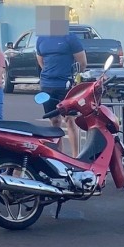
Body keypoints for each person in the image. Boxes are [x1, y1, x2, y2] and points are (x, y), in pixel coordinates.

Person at [36, 29, 87, 157]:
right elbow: (41, 61)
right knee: (54, 121)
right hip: (47, 86)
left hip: (66, 85)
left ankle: (76, 157)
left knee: (70, 120)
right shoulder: (41, 38)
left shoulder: (70, 37)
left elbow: (82, 63)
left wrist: (73, 78)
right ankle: (59, 156)